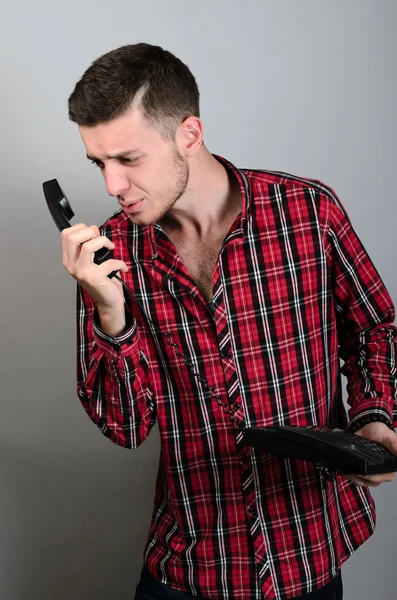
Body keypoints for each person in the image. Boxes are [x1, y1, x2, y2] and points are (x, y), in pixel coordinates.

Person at [62, 43, 397, 600]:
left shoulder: (308, 211)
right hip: (191, 564)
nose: (111, 186)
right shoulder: (111, 252)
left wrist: (376, 416)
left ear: (189, 136)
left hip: (308, 552)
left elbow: (376, 330)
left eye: (128, 159)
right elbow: (125, 427)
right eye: (99, 163)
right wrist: (110, 311)